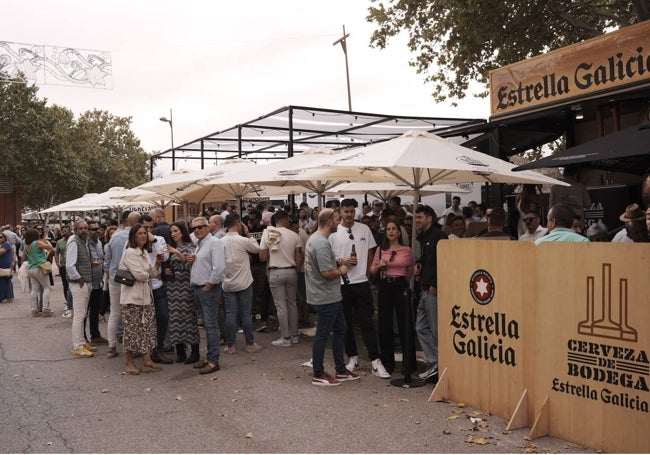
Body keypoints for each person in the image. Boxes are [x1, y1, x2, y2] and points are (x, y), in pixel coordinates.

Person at [329, 199, 389, 378]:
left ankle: (375, 360)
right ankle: (353, 357)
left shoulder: (364, 229)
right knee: (345, 324)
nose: (349, 215)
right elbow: (329, 258)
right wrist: (343, 262)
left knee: (367, 322)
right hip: (342, 283)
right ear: (340, 212)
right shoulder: (333, 233)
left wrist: (368, 274)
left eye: (351, 211)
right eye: (346, 211)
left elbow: (370, 252)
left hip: (361, 282)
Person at [305, 208, 359, 386]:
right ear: (329, 222)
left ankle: (341, 369)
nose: (339, 222)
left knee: (340, 329)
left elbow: (324, 263)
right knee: (322, 334)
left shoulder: (316, 239)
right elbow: (326, 272)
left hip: (330, 295)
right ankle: (318, 373)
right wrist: (342, 270)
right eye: (336, 219)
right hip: (325, 295)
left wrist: (338, 261)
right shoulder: (320, 242)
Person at [369, 217, 415, 375]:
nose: (391, 231)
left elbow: (409, 271)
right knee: (385, 325)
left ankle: (408, 363)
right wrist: (379, 266)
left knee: (405, 323)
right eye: (388, 229)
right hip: (385, 286)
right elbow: (372, 270)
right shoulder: (380, 250)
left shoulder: (407, 250)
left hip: (400, 285)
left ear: (399, 232)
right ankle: (388, 363)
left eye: (393, 229)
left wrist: (404, 282)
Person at [119, 223, 163, 375]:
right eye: (140, 233)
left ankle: (147, 359)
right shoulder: (130, 253)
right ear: (133, 236)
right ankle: (129, 362)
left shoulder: (144, 253)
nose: (143, 236)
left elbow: (153, 274)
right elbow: (140, 275)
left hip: (145, 298)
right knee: (132, 331)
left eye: (145, 233)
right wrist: (146, 272)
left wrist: (157, 263)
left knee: (147, 330)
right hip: (132, 299)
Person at [259, 210, 303, 347]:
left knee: (281, 306)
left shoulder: (267, 234)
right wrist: (295, 270)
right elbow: (299, 256)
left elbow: (263, 257)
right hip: (291, 271)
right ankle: (295, 335)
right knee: (292, 304)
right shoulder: (295, 235)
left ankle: (285, 337)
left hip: (275, 271)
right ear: (286, 219)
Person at [414, 205, 447, 383]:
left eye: (419, 217)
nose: (417, 220)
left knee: (436, 330)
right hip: (424, 288)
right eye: (416, 217)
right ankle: (435, 362)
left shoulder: (439, 236)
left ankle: (442, 365)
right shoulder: (424, 237)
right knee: (420, 327)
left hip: (433, 289)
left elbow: (445, 261)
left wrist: (436, 283)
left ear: (429, 218)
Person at [188, 216, 226, 374]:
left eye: (200, 227)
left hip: (208, 288)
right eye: (194, 228)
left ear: (208, 227)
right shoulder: (199, 244)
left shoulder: (214, 243)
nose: (196, 230)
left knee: (211, 325)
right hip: (199, 288)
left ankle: (213, 361)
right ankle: (209, 357)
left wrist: (209, 285)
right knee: (207, 325)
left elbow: (219, 268)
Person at [221, 213, 263, 354]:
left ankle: (231, 345)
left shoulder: (221, 241)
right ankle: (250, 343)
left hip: (227, 283)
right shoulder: (242, 240)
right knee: (245, 313)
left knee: (231, 314)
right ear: (239, 223)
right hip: (244, 282)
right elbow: (257, 249)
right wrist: (249, 234)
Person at [104, 211, 141, 359]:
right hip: (131, 280)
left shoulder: (114, 237)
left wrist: (110, 275)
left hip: (115, 279)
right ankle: (133, 347)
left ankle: (112, 346)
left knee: (114, 313)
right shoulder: (135, 237)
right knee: (132, 315)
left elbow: (107, 261)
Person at [164, 222, 201, 364]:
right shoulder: (171, 248)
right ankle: (180, 351)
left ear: (182, 231)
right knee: (174, 320)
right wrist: (168, 271)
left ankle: (195, 351)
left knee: (189, 319)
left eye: (175, 231)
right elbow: (172, 266)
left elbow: (189, 266)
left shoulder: (191, 247)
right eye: (171, 232)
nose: (173, 234)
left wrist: (178, 253)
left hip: (186, 287)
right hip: (173, 288)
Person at [139, 215, 173, 365]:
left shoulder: (159, 240)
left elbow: (164, 257)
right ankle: (147, 351)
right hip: (143, 286)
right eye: (145, 228)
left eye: (151, 227)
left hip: (157, 284)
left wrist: (154, 241)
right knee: (146, 321)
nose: (149, 231)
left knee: (163, 316)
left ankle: (158, 348)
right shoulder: (135, 241)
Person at [66, 220, 95, 357]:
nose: (84, 230)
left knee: (82, 314)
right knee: (79, 315)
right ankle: (77, 346)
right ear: (75, 230)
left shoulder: (83, 242)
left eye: (85, 228)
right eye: (81, 228)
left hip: (84, 282)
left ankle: (82, 342)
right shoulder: (74, 242)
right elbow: (69, 265)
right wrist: (79, 278)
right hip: (79, 283)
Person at [86, 221, 107, 345]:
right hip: (88, 283)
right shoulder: (84, 244)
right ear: (88, 231)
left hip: (98, 282)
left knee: (95, 310)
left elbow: (101, 259)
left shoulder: (99, 243)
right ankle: (83, 338)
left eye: (97, 228)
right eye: (93, 229)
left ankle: (95, 335)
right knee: (84, 312)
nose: (97, 231)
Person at [54, 225, 73, 317]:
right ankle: (68, 302)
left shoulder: (73, 240)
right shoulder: (59, 242)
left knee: (73, 285)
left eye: (67, 230)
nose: (65, 232)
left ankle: (73, 302)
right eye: (63, 231)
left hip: (73, 265)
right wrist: (57, 262)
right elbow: (56, 252)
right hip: (63, 266)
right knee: (65, 285)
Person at [0, 232, 14, 303]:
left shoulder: (6, 244)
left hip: (5, 266)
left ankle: (4, 297)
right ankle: (9, 296)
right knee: (6, 281)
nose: (0, 238)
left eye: (1, 237)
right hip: (2, 265)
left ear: (4, 237)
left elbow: (1, 252)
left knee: (4, 280)